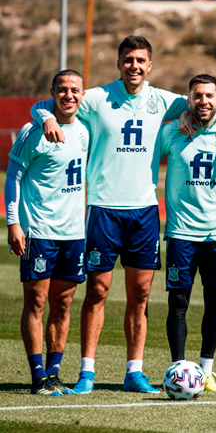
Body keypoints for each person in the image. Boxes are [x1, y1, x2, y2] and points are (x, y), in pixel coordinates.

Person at [28, 36, 216, 394]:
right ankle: (87, 372)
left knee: (140, 294)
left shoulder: (164, 101)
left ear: (150, 65)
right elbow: (45, 104)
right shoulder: (96, 98)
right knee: (97, 291)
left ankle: (134, 371)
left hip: (144, 210)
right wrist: (47, 114)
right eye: (128, 59)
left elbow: (208, 105)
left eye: (141, 60)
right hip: (103, 208)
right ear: (119, 63)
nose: (134, 66)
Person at [6, 70, 88, 395]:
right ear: (52, 92)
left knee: (64, 303)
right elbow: (12, 176)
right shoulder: (32, 131)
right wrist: (14, 223)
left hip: (74, 233)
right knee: (36, 301)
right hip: (39, 231)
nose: (69, 95)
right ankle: (37, 375)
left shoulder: (85, 131)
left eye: (75, 90)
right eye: (62, 89)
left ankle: (54, 374)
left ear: (83, 94)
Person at [156, 74, 216, 393]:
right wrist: (179, 117)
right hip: (181, 233)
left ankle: (205, 372)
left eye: (210, 96)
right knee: (178, 302)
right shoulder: (172, 131)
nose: (203, 101)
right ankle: (178, 368)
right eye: (197, 96)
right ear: (188, 100)